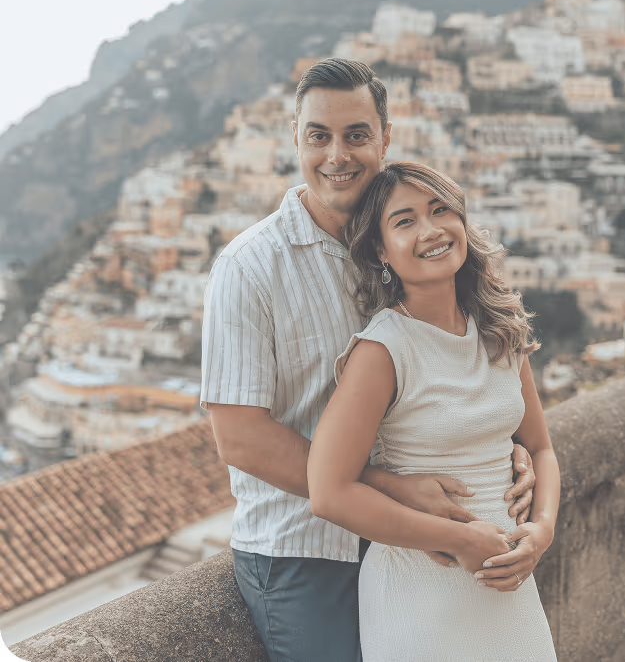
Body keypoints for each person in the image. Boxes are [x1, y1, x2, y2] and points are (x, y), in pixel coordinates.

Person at [200, 59, 536, 662]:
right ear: (295, 140)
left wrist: (501, 449)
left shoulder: (399, 243)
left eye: (357, 134)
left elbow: (445, 371)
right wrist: (392, 488)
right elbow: (241, 440)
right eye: (318, 136)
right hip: (304, 549)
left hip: (405, 544)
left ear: (386, 136)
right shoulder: (248, 268)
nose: (338, 154)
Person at [308, 161, 559, 661]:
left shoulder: (498, 329)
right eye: (405, 221)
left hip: (510, 579)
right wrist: (458, 540)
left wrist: (543, 529)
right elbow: (328, 492)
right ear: (381, 251)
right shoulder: (383, 350)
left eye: (441, 210)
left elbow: (541, 448)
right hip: (420, 588)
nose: (431, 230)